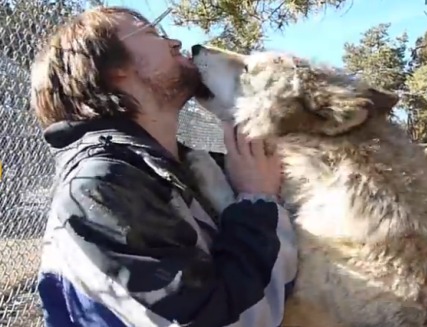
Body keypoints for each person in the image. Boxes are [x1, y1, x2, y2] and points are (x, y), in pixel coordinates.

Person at [30, 6, 297, 327]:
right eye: (152, 34)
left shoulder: (187, 168)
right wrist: (257, 200)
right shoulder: (100, 187)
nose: (176, 43)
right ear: (112, 69)